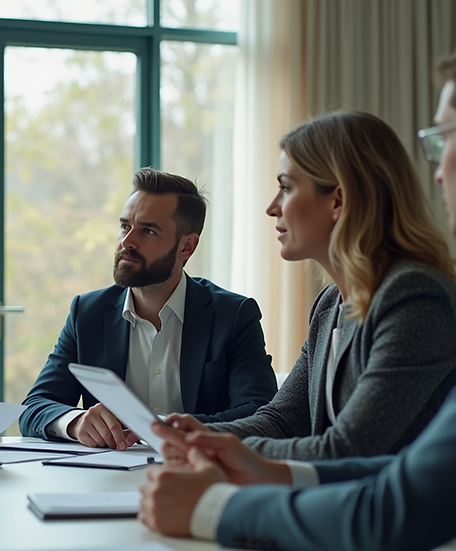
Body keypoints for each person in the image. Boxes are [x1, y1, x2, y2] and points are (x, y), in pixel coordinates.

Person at [139, 15, 456, 551]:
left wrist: (212, 506)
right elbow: (394, 461)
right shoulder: (332, 304)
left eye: (440, 141)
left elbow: (386, 485)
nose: (436, 171)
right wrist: (216, 443)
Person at [160, 111, 456, 461]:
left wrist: (214, 446)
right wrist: (186, 433)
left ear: (338, 200)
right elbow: (282, 420)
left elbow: (348, 448)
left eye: (286, 187)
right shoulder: (330, 304)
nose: (271, 207)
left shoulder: (415, 298)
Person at [19, 167, 278, 450]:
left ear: (186, 247)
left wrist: (162, 427)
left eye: (148, 231)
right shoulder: (87, 313)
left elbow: (260, 413)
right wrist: (75, 421)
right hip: (106, 471)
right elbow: (35, 407)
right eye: (124, 226)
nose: (127, 241)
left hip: (198, 469)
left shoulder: (234, 315)